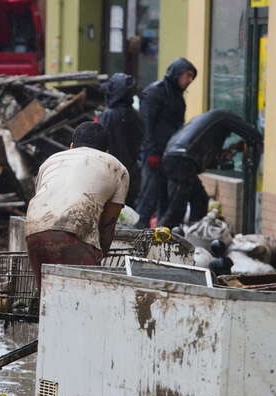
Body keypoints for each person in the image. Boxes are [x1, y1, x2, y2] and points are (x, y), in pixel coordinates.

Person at [25, 122, 129, 288]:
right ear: (106, 151)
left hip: (34, 230)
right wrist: (101, 255)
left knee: (46, 298)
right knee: (83, 299)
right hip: (74, 230)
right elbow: (108, 223)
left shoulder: (51, 160)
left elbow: (42, 199)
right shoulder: (116, 167)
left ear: (72, 146)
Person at [158, 109, 262, 228]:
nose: (227, 135)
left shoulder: (209, 124)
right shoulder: (224, 118)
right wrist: (257, 142)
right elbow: (254, 135)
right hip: (181, 161)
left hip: (179, 159)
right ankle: (157, 241)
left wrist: (223, 154)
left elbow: (206, 157)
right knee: (176, 208)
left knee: (200, 200)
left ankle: (196, 232)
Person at [135, 57, 197, 229]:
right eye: (187, 75)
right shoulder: (155, 93)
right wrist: (151, 151)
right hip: (154, 153)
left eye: (192, 77)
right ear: (176, 73)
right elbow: (146, 124)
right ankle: (137, 233)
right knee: (149, 196)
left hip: (169, 155)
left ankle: (158, 239)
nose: (190, 80)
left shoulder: (177, 97)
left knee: (165, 197)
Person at [99, 73, 143, 206]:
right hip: (130, 172)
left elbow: (100, 141)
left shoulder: (109, 115)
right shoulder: (135, 115)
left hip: (109, 171)